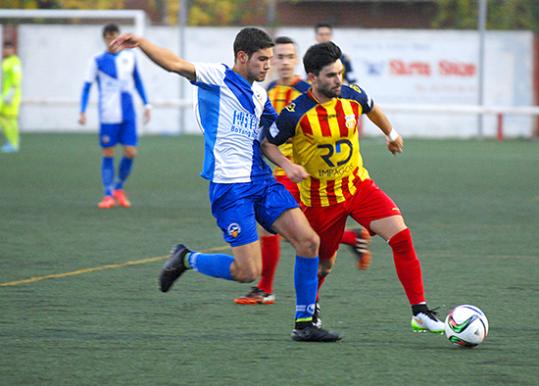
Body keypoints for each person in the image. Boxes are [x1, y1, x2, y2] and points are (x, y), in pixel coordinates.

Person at [110, 27, 341, 342]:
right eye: (262, 59)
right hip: (230, 188)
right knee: (247, 273)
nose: (267, 66)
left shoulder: (261, 94)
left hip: (261, 181)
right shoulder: (216, 76)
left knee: (309, 242)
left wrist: (289, 163)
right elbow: (175, 64)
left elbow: (269, 139)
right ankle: (186, 258)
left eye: (271, 59)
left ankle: (304, 323)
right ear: (242, 57)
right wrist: (140, 42)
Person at [264, 41, 445, 333]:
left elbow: (372, 108)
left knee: (401, 236)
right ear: (312, 77)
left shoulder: (352, 95)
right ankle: (311, 308)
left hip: (358, 186)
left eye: (341, 73)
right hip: (321, 200)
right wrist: (287, 165)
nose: (339, 80)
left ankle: (419, 311)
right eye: (331, 75)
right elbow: (267, 144)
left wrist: (391, 133)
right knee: (323, 266)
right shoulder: (295, 113)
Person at [234, 36, 372, 306]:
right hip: (276, 171)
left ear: (297, 62)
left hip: (302, 176)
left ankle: (266, 289)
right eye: (279, 57)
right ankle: (350, 238)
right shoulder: (270, 88)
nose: (284, 62)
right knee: (294, 234)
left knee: (281, 231)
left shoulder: (307, 91)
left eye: (289, 57)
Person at [79, 23, 151, 209]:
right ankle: (108, 194)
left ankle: (118, 187)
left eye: (114, 36)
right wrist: (82, 110)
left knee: (130, 152)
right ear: (104, 39)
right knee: (108, 152)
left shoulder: (130, 57)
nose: (112, 40)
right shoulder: (97, 60)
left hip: (128, 113)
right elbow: (87, 87)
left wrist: (146, 104)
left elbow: (138, 81)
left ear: (119, 37)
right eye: (108, 37)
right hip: (108, 113)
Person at [0, 41, 23, 153]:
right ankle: (12, 139)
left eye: (9, 48)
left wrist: (11, 93)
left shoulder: (15, 61)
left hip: (11, 96)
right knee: (4, 118)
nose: (7, 50)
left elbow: (17, 78)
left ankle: (13, 143)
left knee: (11, 118)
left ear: (13, 50)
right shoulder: (5, 61)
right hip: (4, 95)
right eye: (5, 48)